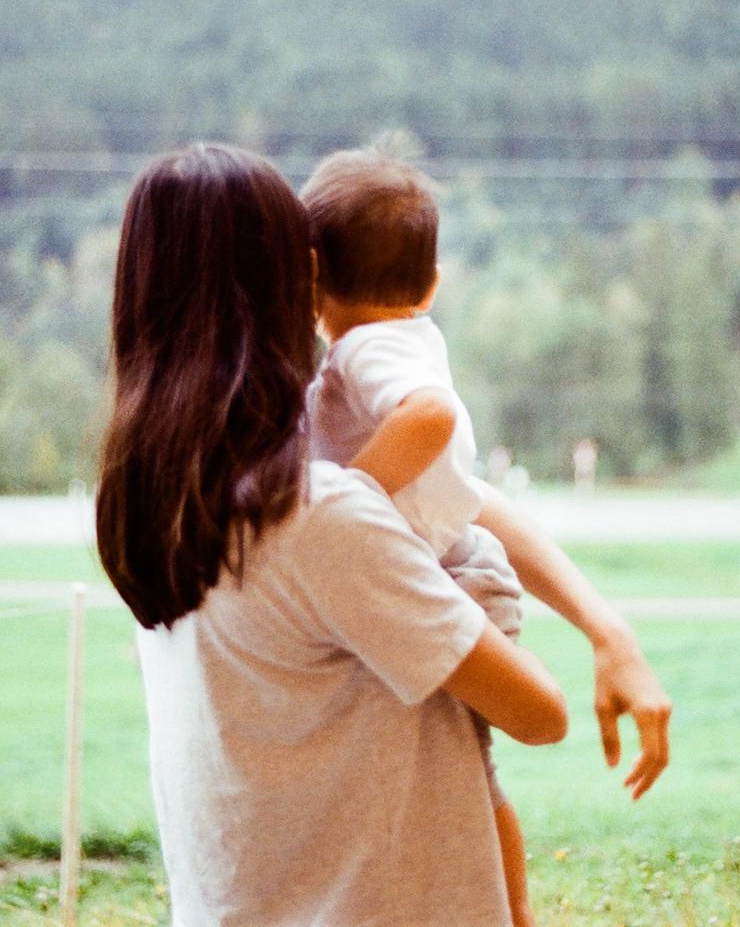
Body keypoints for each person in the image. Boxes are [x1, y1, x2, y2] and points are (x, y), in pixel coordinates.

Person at [97, 144, 672, 925]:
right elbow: (541, 715)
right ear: (293, 280)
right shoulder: (316, 509)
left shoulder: (160, 501)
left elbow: (459, 497)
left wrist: (607, 628)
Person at [301, 145, 533, 923]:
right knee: (475, 777)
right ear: (431, 284)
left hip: (454, 571)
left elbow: (429, 416)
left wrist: (350, 493)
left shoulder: (368, 348)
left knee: (472, 775)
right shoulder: (410, 335)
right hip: (458, 561)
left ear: (308, 279)